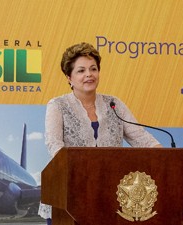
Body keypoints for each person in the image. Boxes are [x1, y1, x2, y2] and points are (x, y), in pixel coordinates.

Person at [37, 42, 162, 224]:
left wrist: (164, 156)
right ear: (68, 77)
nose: (89, 74)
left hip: (108, 196)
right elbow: (55, 145)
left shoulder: (114, 104)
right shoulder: (58, 106)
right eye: (81, 71)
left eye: (93, 69)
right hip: (68, 198)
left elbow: (140, 137)